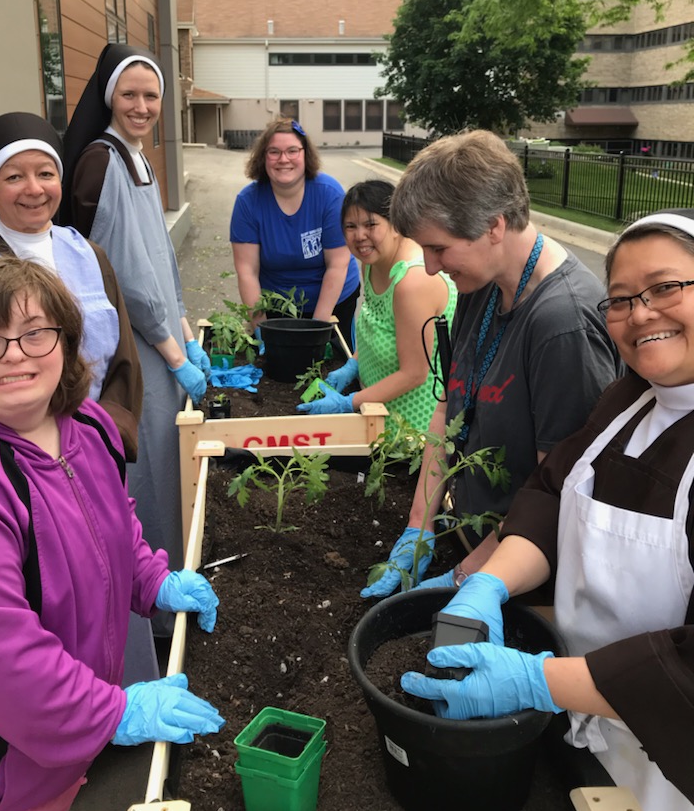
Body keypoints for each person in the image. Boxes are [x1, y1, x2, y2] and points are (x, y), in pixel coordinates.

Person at [401, 209, 694, 811]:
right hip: (584, 721)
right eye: (620, 300)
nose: (641, 314)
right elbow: (549, 494)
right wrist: (486, 583)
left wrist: (538, 682)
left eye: (666, 288)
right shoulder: (629, 400)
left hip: (671, 767)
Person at [0, 257, 223, 811]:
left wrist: (152, 580)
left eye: (36, 332)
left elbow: (113, 522)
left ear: (65, 340)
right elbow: (2, 656)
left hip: (55, 752)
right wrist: (112, 713)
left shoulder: (84, 425)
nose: (15, 353)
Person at [362, 130, 621, 598]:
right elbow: (449, 408)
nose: (429, 266)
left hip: (519, 575)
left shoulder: (563, 325)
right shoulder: (480, 284)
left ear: (494, 226)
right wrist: (419, 528)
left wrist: (471, 578)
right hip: (468, 536)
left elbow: (555, 494)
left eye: (438, 248)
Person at [62, 44, 209, 575]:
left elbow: (162, 261)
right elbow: (125, 275)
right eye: (130, 94)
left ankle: (170, 572)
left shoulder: (137, 155)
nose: (141, 106)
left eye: (151, 95)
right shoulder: (102, 160)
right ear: (110, 98)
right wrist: (174, 355)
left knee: (169, 458)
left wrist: (188, 332)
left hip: (163, 339)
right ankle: (149, 602)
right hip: (133, 344)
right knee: (144, 465)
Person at [0, 111, 142, 461]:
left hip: (96, 445)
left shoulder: (90, 255)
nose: (34, 189)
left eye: (46, 174)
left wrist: (107, 432)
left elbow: (124, 360)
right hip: (4, 457)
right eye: (14, 176)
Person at [297, 179, 458, 428]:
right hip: (375, 409)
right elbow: (379, 328)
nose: (360, 236)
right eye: (350, 226)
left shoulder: (412, 282)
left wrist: (348, 403)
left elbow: (414, 373)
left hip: (412, 427)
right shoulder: (372, 263)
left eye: (371, 224)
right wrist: (354, 364)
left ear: (396, 225)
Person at [230, 117, 360, 351]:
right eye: (274, 152)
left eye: (292, 151)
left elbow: (337, 265)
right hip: (277, 306)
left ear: (305, 154)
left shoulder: (329, 194)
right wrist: (261, 329)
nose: (283, 159)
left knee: (332, 362)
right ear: (263, 157)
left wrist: (315, 332)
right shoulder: (248, 202)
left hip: (333, 300)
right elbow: (247, 271)